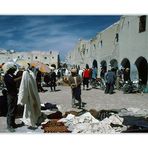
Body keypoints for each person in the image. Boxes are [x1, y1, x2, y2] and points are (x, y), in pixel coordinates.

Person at [3, 62, 22, 132]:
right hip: (10, 95)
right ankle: (9, 125)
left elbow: (15, 77)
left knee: (14, 109)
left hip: (14, 94)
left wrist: (24, 73)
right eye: (13, 69)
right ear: (10, 69)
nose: (14, 70)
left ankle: (13, 123)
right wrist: (21, 77)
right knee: (10, 110)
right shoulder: (7, 76)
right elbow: (13, 81)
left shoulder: (11, 75)